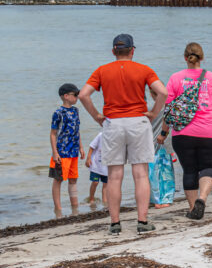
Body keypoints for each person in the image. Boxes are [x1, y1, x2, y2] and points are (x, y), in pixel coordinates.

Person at [79, 34, 167, 235]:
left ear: (113, 51)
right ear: (132, 51)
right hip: (138, 122)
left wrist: (96, 116)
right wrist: (154, 113)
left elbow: (83, 95)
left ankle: (115, 223)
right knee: (140, 173)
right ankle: (142, 221)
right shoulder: (144, 69)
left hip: (113, 123)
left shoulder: (102, 70)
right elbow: (162, 92)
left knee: (114, 176)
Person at [161, 42, 212, 221]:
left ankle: (192, 209)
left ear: (185, 57)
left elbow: (168, 109)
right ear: (202, 58)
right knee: (208, 168)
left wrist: (163, 133)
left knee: (189, 170)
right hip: (209, 131)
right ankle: (202, 199)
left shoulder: (175, 78)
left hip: (183, 133)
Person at [50, 82, 82, 218]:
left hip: (74, 151)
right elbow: (53, 134)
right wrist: (55, 152)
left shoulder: (76, 111)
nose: (77, 97)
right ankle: (58, 209)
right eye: (75, 95)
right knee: (58, 179)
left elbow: (77, 130)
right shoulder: (58, 113)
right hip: (62, 152)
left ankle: (75, 206)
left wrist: (81, 147)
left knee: (73, 179)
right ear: (66, 96)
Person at [85, 132, 108, 207]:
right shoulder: (101, 135)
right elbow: (92, 146)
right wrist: (88, 158)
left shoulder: (114, 136)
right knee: (95, 182)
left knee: (105, 185)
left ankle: (105, 202)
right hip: (96, 165)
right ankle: (91, 199)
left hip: (106, 166)